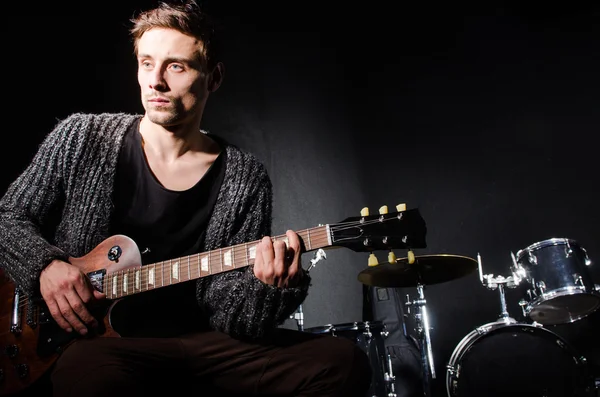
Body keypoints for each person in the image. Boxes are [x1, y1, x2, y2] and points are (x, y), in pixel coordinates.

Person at [0, 1, 372, 396]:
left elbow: (234, 318)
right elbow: (7, 216)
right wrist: (45, 266)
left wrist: (269, 288)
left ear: (214, 77)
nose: (155, 81)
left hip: (201, 346)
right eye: (147, 63)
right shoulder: (82, 136)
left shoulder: (244, 177)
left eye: (176, 66)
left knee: (341, 362)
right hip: (101, 345)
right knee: (91, 372)